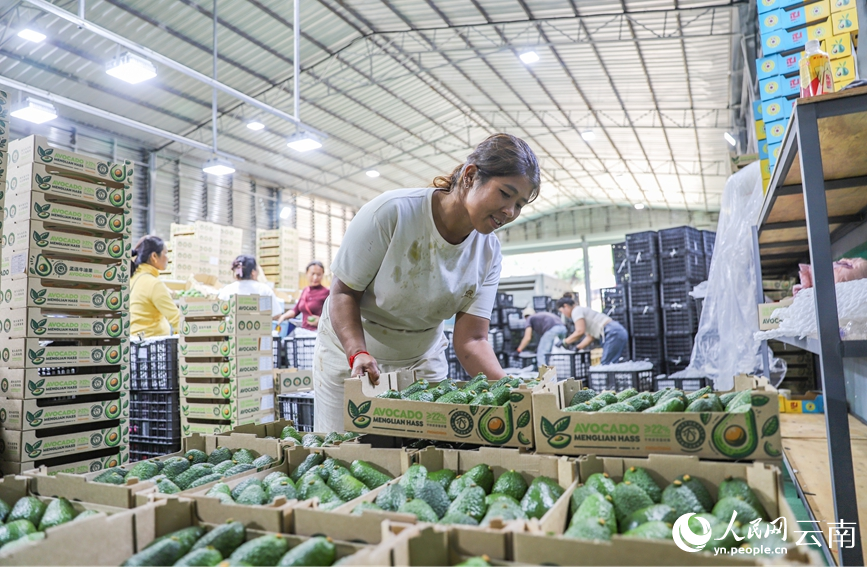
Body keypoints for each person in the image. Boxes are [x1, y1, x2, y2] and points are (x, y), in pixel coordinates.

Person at [312, 133, 540, 432]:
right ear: (470, 176)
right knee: (343, 452)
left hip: (421, 359)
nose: (510, 211)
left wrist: (516, 393)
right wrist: (357, 352)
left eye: (520, 204)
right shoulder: (392, 213)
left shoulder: (488, 253)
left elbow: (472, 340)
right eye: (505, 194)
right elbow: (343, 293)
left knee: (425, 454)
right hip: (353, 354)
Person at [130, 235, 181, 338]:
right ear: (154, 256)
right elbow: (176, 319)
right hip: (153, 346)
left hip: (135, 343)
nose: (168, 258)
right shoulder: (153, 284)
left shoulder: (133, 278)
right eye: (165, 253)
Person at [556, 297, 628, 365]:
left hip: (612, 332)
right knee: (610, 363)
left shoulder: (576, 311)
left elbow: (580, 331)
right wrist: (578, 347)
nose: (563, 314)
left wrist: (565, 342)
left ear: (566, 306)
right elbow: (590, 337)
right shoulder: (581, 310)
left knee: (606, 364)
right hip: (616, 331)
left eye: (562, 311)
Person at [218, 255, 282, 317]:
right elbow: (276, 314)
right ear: (253, 272)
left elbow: (218, 313)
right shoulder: (263, 290)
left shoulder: (227, 290)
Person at [277, 261, 330, 331]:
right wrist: (283, 316)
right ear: (307, 273)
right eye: (312, 274)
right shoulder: (305, 290)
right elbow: (296, 310)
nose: (315, 277)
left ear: (323, 275)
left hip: (319, 334)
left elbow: (334, 317)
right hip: (304, 333)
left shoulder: (327, 293)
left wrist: (321, 321)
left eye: (319, 274)